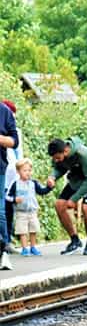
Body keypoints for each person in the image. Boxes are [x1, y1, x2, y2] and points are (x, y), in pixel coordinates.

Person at [46, 137, 87, 256]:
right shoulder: (59, 156)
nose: (56, 160)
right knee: (59, 205)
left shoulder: (83, 154)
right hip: (77, 179)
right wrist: (52, 177)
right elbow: (59, 168)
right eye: (54, 159)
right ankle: (75, 240)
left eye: (57, 158)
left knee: (86, 208)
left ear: (65, 151)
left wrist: (74, 199)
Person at [5, 158, 51, 256]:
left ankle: (33, 247)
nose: (28, 173)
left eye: (29, 170)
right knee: (23, 231)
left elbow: (41, 191)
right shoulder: (15, 184)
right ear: (18, 171)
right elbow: (7, 197)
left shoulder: (33, 183)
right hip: (21, 212)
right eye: (25, 170)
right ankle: (25, 248)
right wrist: (14, 199)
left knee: (33, 229)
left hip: (32, 211)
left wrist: (49, 187)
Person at [0, 99, 19, 262]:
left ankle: (5, 244)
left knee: (1, 209)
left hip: (1, 167)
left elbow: (15, 141)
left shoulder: (4, 112)